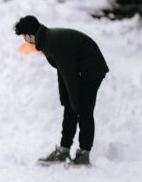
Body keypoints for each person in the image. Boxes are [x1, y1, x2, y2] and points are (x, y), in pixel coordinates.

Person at [14, 15, 109, 167]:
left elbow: (69, 74)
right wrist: (65, 98)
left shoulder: (51, 42)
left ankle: (84, 154)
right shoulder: (46, 40)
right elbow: (62, 70)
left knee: (84, 110)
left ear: (30, 35)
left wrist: (75, 103)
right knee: (70, 107)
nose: (25, 41)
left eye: (25, 37)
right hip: (80, 69)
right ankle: (64, 150)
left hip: (92, 69)